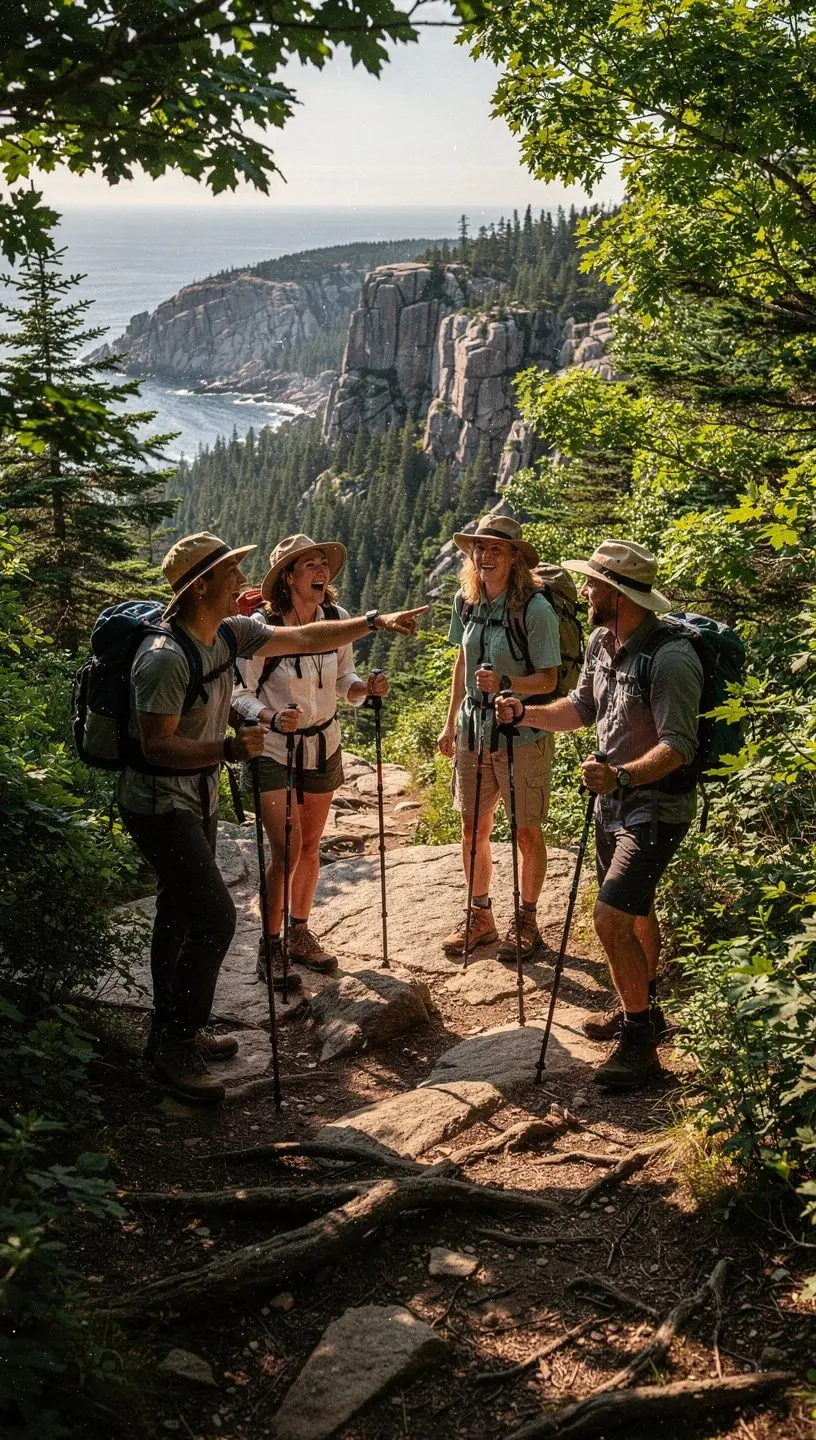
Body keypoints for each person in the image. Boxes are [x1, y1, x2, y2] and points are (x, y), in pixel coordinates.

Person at [117, 530, 425, 1104]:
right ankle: (177, 1044)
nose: (242, 580)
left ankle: (171, 1029)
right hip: (161, 803)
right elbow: (154, 747)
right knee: (214, 917)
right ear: (200, 585)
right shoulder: (162, 658)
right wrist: (231, 749)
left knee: (179, 912)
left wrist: (376, 621)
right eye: (231, 570)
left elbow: (309, 635)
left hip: (198, 795)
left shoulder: (230, 632)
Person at [495, 539, 704, 1090]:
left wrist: (624, 776)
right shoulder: (601, 641)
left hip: (656, 806)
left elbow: (678, 746)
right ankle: (644, 1006)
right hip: (615, 802)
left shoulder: (672, 657)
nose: (584, 590)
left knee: (609, 918)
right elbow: (582, 709)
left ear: (617, 592)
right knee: (637, 912)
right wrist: (527, 713)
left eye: (592, 584)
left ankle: (640, 1050)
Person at [232, 533, 389, 979]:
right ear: (287, 577)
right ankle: (271, 946)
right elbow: (238, 692)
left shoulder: (337, 619)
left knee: (310, 847)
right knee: (287, 851)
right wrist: (269, 715)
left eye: (324, 564)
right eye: (310, 565)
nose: (321, 571)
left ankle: (299, 933)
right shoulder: (261, 626)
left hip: (323, 743)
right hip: (274, 749)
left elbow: (344, 678)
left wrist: (363, 690)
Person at [437, 514, 561, 962]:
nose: (485, 556)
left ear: (513, 557)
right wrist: (450, 721)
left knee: (526, 831)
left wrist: (507, 680)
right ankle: (481, 917)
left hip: (522, 733)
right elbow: (460, 662)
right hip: (473, 730)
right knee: (473, 828)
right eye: (479, 548)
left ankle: (527, 920)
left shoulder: (535, 609)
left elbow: (548, 679)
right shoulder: (466, 601)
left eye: (495, 549)